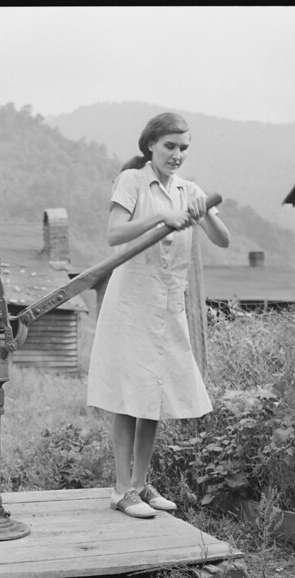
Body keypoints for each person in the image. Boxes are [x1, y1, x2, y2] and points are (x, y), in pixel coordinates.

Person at [87, 112, 231, 519]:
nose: (177, 154)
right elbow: (115, 233)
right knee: (127, 394)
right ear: (150, 144)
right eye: (170, 146)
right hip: (131, 304)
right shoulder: (132, 181)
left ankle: (140, 485)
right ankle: (120, 490)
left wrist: (201, 214)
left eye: (184, 148)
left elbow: (224, 240)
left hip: (167, 306)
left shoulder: (190, 191)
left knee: (154, 394)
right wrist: (160, 217)